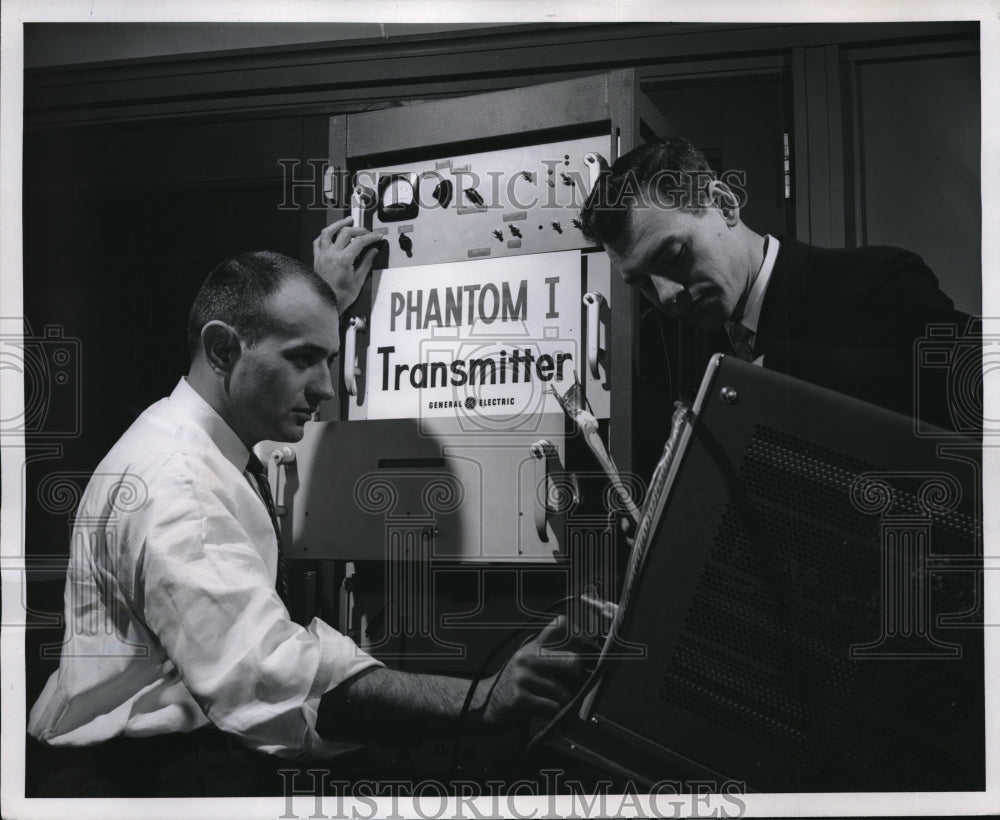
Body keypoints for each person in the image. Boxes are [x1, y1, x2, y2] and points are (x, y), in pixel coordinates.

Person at [27, 229, 584, 797]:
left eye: (329, 359)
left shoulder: (202, 436)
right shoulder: (180, 486)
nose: (323, 387)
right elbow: (269, 679)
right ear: (222, 350)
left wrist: (321, 305)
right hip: (147, 779)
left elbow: (262, 356)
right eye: (303, 359)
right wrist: (482, 700)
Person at [579, 137, 978, 433]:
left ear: (724, 204)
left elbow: (973, 393)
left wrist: (772, 375)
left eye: (673, 257)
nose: (666, 295)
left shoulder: (879, 277)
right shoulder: (679, 350)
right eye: (642, 283)